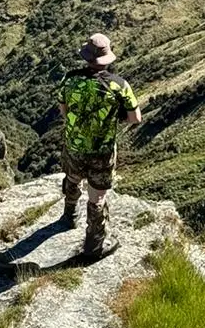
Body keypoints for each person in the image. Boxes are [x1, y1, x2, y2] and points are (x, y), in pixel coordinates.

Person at [58, 33, 142, 259]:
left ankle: (69, 215)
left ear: (86, 57)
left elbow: (64, 112)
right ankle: (94, 246)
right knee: (97, 197)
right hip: (102, 151)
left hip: (74, 144)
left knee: (73, 177)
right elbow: (135, 118)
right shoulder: (119, 85)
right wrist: (114, 117)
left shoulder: (70, 79)